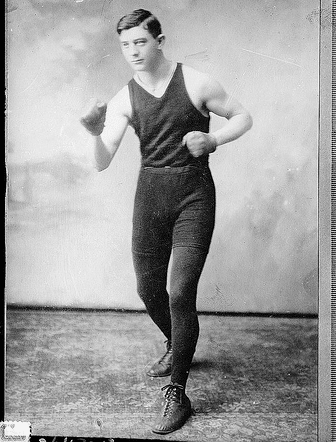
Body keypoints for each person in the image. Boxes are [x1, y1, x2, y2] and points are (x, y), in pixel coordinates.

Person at [80, 8, 252, 434]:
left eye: (140, 41)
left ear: (158, 39)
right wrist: (93, 133)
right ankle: (178, 344)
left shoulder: (195, 81)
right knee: (147, 288)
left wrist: (213, 138)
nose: (133, 51)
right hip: (150, 198)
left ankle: (178, 389)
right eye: (125, 45)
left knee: (179, 292)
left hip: (194, 196)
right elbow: (102, 162)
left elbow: (243, 116)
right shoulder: (124, 98)